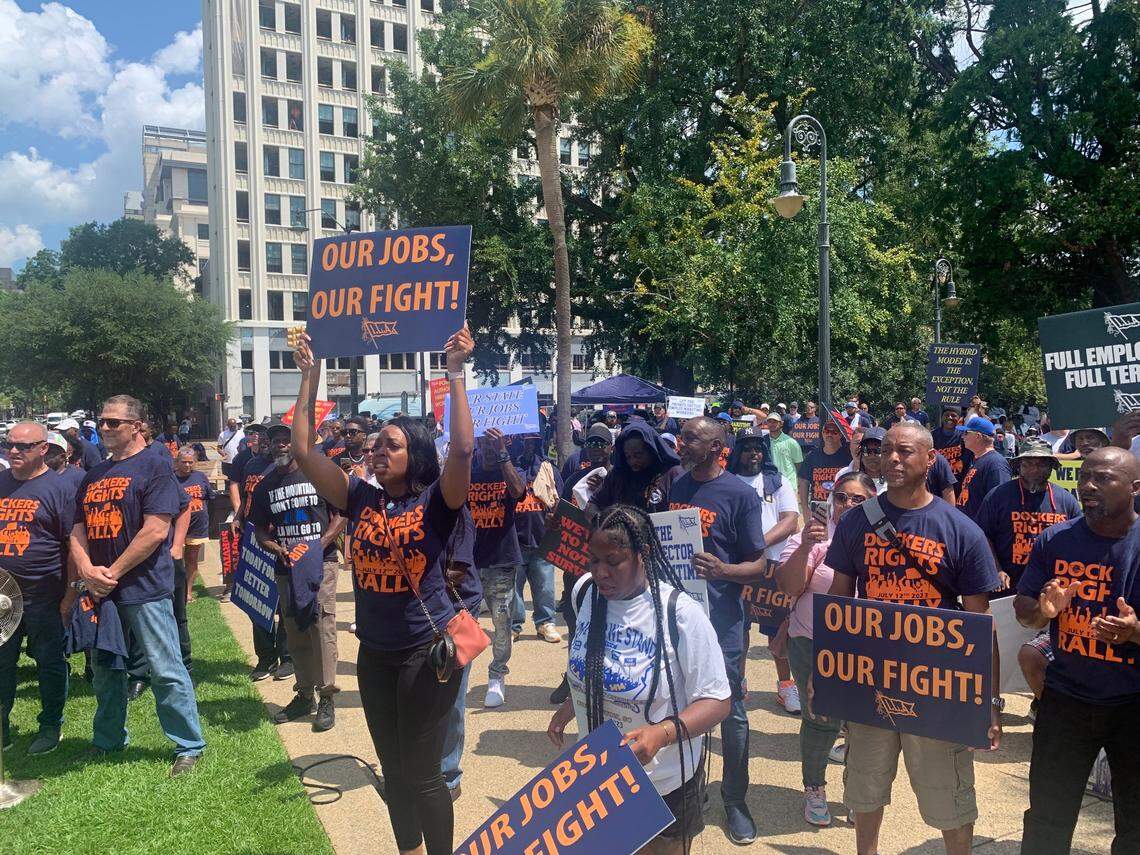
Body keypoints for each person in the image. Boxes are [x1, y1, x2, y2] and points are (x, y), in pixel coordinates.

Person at [290, 325, 474, 855]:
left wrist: (455, 372)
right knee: (393, 772)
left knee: (423, 775)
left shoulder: (438, 502)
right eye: (374, 446)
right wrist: (310, 374)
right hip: (375, 655)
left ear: (415, 454)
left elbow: (461, 450)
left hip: (425, 653)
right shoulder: (360, 499)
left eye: (390, 446)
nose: (376, 452)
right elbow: (304, 452)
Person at [825, 422, 1001, 855]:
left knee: (949, 795)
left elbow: (981, 628)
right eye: (886, 450)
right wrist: (826, 676)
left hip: (937, 684)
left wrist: (990, 703)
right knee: (864, 786)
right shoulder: (856, 523)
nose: (893, 459)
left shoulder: (961, 530)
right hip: (871, 678)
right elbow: (838, 604)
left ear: (931, 459)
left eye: (905, 451)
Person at [547, 504, 731, 855]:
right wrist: (575, 703)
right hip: (600, 778)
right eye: (593, 560)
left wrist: (660, 734)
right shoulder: (585, 593)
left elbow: (718, 700)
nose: (601, 572)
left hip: (663, 785)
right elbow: (598, 661)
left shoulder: (680, 614)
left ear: (643, 554)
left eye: (613, 561)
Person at [1014, 447, 1140, 855]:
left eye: (1103, 478)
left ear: (1135, 488)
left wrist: (1136, 633)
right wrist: (1044, 612)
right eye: (1085, 476)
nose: (1088, 486)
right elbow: (1025, 611)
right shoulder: (1056, 540)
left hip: (1133, 706)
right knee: (1048, 818)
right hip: (1066, 702)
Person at [70, 394, 205, 775]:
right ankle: (108, 740)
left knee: (164, 668)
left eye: (114, 422)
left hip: (143, 588)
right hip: (100, 591)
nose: (105, 428)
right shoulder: (93, 475)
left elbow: (155, 531)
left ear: (137, 426)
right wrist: (85, 569)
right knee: (106, 669)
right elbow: (76, 528)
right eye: (102, 421)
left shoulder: (155, 467)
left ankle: (188, 746)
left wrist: (109, 572)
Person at [669, 416, 768, 844]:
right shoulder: (676, 485)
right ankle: (685, 793)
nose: (681, 442)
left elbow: (760, 565)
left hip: (723, 622)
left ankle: (734, 799)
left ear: (714, 447)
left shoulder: (742, 495)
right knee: (677, 704)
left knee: (730, 712)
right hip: (677, 617)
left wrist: (725, 569)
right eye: (682, 435)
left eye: (690, 437)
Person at [776, 470, 877, 827]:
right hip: (811, 641)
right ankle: (814, 789)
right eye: (841, 498)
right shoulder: (816, 538)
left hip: (867, 648)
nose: (847, 505)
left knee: (863, 723)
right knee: (820, 720)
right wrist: (804, 545)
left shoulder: (884, 538)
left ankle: (857, 792)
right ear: (830, 500)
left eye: (858, 499)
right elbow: (789, 587)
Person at [249, 421, 345, 732]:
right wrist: (275, 548)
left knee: (321, 624)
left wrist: (319, 545)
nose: (280, 444)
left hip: (321, 563)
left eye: (286, 439)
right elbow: (260, 529)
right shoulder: (265, 487)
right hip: (286, 566)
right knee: (295, 628)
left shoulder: (318, 472)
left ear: (298, 443)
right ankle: (305, 695)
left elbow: (341, 513)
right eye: (274, 440)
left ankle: (327, 695)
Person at [0, 422, 76, 756]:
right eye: (9, 445)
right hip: (4, 596)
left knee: (48, 661)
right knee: (3, 662)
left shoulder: (59, 489)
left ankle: (50, 725)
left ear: (43, 449)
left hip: (45, 594)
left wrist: (70, 595)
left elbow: (74, 545)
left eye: (23, 446)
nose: (13, 451)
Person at [726, 427, 801, 713]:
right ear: (737, 452)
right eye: (746, 448)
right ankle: (738, 683)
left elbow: (790, 520)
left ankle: (785, 686)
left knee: (777, 629)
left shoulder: (777, 480)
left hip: (773, 565)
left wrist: (757, 543)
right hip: (740, 566)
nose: (753, 453)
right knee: (739, 626)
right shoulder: (727, 481)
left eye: (758, 448)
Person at [467, 427, 526, 708]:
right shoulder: (467, 472)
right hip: (467, 562)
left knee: (502, 621)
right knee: (459, 621)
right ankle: (456, 673)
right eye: (485, 444)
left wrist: (503, 455)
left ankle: (497, 675)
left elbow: (518, 491)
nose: (488, 449)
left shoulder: (512, 469)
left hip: (501, 560)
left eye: (495, 445)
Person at [976, 439, 1081, 595]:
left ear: (1052, 466)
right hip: (1006, 586)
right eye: (1028, 464)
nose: (1034, 469)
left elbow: (1078, 542)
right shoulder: (998, 496)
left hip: (1051, 588)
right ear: (1019, 466)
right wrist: (996, 570)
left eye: (1041, 464)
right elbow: (982, 536)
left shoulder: (1066, 501)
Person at [510, 435, 563, 644]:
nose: (528, 446)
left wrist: (555, 515)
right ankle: (514, 625)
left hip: (542, 539)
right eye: (524, 442)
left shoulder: (549, 470)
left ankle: (545, 623)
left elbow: (561, 498)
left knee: (545, 587)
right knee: (513, 589)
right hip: (515, 541)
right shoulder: (509, 470)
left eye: (533, 441)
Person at [587, 420, 680, 517]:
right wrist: (602, 521)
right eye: (628, 457)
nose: (633, 461)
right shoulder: (617, 475)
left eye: (638, 455)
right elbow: (592, 505)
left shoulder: (671, 474)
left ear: (651, 451)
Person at [174, 447, 215, 600]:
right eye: (183, 462)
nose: (187, 465)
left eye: (190, 462)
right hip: (176, 527)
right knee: (175, 560)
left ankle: (188, 592)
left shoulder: (201, 476)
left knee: (192, 559)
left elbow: (209, 497)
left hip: (197, 527)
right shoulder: (171, 478)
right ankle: (175, 590)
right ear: (177, 462)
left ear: (195, 462)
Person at [956, 416, 1013, 521]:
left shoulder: (996, 464)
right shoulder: (979, 460)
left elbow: (1000, 504)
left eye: (966, 433)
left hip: (980, 533)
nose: (962, 436)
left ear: (978, 436)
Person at [797, 415, 852, 518]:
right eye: (826, 431)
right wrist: (805, 508)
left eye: (834, 432)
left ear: (840, 435)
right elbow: (803, 481)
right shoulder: (812, 456)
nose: (829, 434)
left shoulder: (848, 456)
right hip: (818, 509)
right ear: (822, 433)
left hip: (841, 508)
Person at [933, 408, 972, 487]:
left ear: (959, 418)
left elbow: (968, 459)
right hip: (939, 480)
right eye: (947, 415)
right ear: (942, 417)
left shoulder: (963, 436)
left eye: (953, 415)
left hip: (959, 480)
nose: (950, 417)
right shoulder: (933, 435)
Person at [764, 411, 804, 485]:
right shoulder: (763, 441)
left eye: (775, 422)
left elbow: (799, 465)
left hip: (789, 484)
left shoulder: (791, 442)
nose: (772, 424)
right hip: (770, 485)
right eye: (769, 421)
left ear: (781, 423)